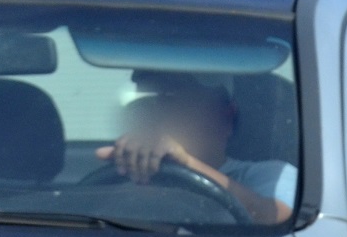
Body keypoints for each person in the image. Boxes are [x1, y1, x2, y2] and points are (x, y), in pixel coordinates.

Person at [97, 85, 296, 225]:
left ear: (227, 118)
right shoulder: (126, 176)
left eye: (177, 103)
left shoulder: (270, 173)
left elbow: (276, 219)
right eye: (156, 106)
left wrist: (186, 162)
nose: (163, 117)